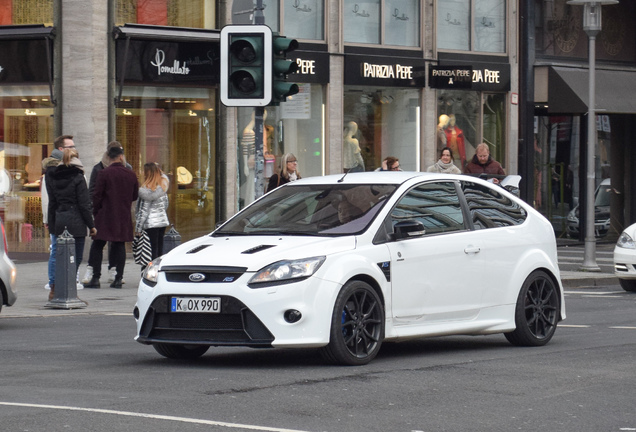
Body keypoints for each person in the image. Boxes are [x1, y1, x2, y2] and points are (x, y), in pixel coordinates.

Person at [46, 148, 97, 300]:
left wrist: (52, 224)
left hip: (60, 220)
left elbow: (52, 203)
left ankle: (55, 289)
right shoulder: (78, 177)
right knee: (76, 258)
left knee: (60, 257)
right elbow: (84, 204)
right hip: (76, 222)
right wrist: (91, 225)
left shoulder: (54, 176)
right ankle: (70, 290)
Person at [84, 146, 138, 289]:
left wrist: (96, 212)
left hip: (105, 214)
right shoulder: (131, 174)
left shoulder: (103, 173)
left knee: (97, 245)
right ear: (121, 157)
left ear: (109, 157)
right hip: (122, 215)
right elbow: (135, 195)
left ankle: (95, 278)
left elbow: (96, 195)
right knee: (120, 246)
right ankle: (118, 278)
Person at [135, 163, 170, 266]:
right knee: (159, 250)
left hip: (150, 224)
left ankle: (150, 274)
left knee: (149, 252)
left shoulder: (146, 189)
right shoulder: (162, 188)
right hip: (162, 222)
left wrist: (138, 228)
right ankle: (158, 271)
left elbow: (143, 211)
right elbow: (165, 204)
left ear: (148, 173)